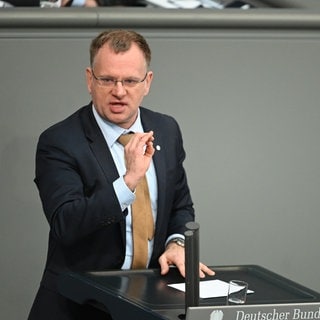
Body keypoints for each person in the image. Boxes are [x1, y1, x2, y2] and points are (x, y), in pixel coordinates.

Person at [28, 29, 214, 320]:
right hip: (79, 306)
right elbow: (66, 224)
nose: (119, 91)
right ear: (90, 80)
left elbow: (180, 204)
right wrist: (128, 181)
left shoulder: (166, 129)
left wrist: (177, 243)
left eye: (130, 81)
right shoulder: (59, 141)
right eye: (107, 80)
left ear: (147, 82)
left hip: (147, 303)